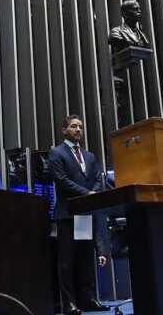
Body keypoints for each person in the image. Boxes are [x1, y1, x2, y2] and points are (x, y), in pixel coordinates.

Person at [48, 115, 109, 314]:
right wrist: (87, 194)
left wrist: (94, 193)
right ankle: (69, 303)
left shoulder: (89, 155)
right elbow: (61, 180)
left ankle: (89, 299)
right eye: (73, 126)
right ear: (64, 130)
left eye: (80, 126)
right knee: (67, 261)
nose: (78, 129)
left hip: (85, 212)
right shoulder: (57, 153)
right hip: (67, 213)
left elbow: (98, 179)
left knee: (85, 258)